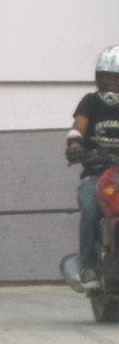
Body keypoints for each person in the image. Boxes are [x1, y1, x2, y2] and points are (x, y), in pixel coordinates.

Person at [65, 45, 119, 290]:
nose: (112, 83)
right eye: (107, 78)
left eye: (117, 78)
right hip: (97, 174)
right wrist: (75, 146)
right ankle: (88, 266)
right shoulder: (90, 102)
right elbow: (78, 128)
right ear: (99, 78)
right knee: (90, 210)